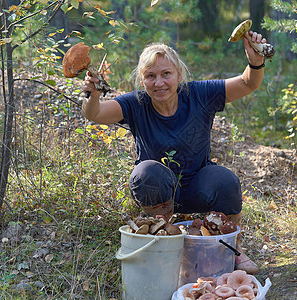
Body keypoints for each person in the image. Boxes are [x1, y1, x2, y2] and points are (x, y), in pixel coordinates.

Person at [82, 31, 267, 274]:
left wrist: (255, 61)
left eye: (166, 74)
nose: (159, 83)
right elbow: (93, 114)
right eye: (151, 76)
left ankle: (232, 248)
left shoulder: (199, 95)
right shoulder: (136, 103)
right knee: (145, 173)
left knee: (226, 180)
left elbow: (247, 83)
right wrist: (91, 96)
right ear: (142, 79)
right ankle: (160, 239)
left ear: (179, 75)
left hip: (198, 187)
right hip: (159, 192)